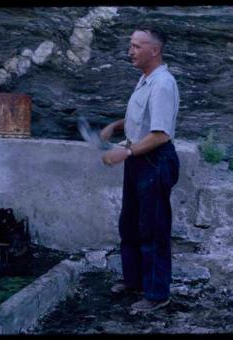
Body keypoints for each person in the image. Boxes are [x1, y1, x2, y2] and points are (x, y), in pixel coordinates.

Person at [100, 26, 180, 312]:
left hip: (155, 161)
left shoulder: (162, 84)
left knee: (153, 229)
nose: (130, 50)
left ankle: (157, 295)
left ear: (154, 50)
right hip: (138, 160)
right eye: (130, 44)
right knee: (130, 225)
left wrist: (125, 151)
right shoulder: (146, 80)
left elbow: (160, 134)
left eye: (136, 46)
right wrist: (116, 126)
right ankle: (134, 282)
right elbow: (144, 119)